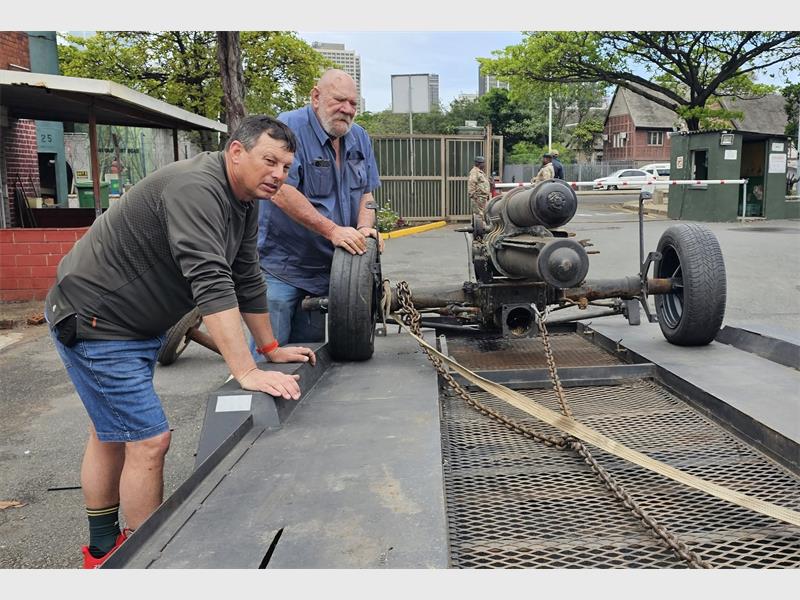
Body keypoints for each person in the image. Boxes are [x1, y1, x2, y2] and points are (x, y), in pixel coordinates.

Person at [45, 115, 317, 568]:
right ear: (236, 152)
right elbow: (212, 281)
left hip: (133, 324)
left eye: (287, 167)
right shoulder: (198, 188)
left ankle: (102, 551)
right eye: (270, 161)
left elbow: (246, 274)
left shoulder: (245, 200)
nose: (279, 175)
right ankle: (148, 563)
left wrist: (269, 349)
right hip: (96, 321)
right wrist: (247, 371)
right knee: (149, 441)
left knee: (112, 432)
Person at [254, 69, 382, 347]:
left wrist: (364, 228)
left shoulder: (359, 137)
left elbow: (366, 192)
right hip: (283, 270)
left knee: (308, 358)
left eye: (353, 104)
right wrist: (333, 230)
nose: (347, 110)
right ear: (315, 97)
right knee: (268, 358)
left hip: (329, 272)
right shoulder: (287, 130)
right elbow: (280, 191)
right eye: (339, 100)